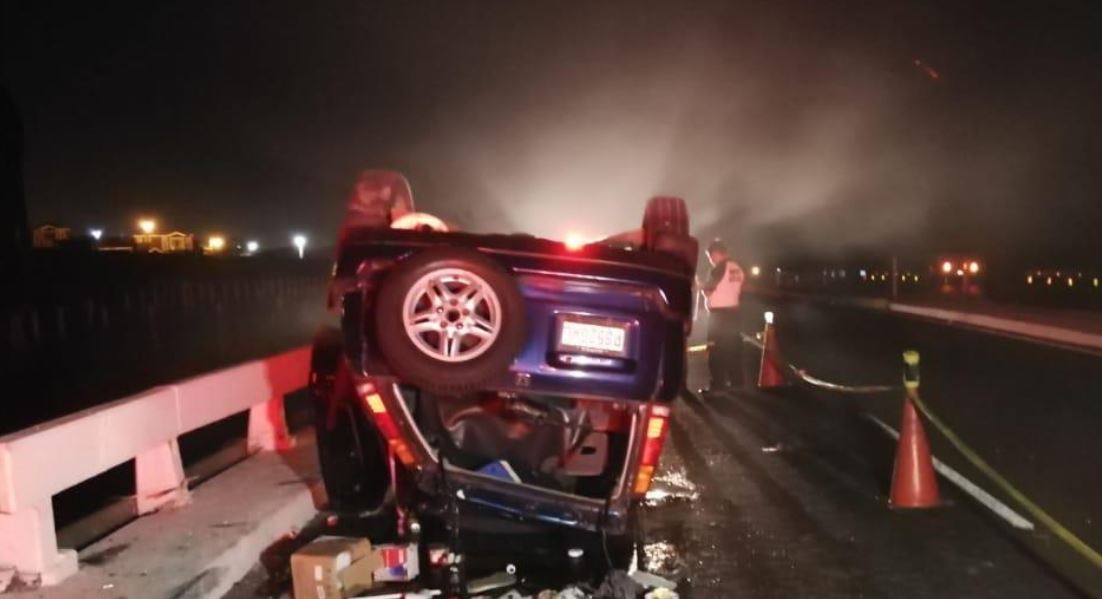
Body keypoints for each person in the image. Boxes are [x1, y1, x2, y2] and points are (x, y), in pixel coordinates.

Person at [700, 239, 745, 393]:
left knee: (715, 351)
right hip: (734, 313)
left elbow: (708, 290)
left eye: (710, 257)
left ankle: (718, 384)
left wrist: (701, 287)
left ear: (716, 253)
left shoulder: (719, 269)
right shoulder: (737, 267)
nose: (711, 260)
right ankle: (737, 384)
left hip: (719, 317)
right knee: (733, 350)